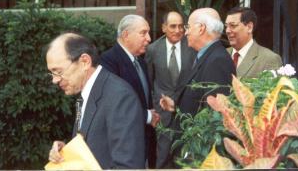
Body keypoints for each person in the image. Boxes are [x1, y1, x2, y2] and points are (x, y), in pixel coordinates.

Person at [46, 33, 145, 169]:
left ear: (85, 62)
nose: (54, 80)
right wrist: (67, 153)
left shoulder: (119, 96)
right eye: (52, 73)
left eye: (58, 71)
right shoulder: (88, 92)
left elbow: (128, 166)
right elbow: (95, 146)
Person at [100, 14, 160, 168]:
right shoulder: (108, 61)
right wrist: (147, 116)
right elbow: (112, 105)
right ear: (126, 35)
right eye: (143, 33)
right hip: (124, 148)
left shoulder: (140, 61)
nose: (149, 38)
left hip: (143, 143)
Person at [160, 7, 236, 118]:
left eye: (188, 27)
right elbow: (197, 99)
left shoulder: (218, 61)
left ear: (201, 28)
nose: (186, 33)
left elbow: (215, 116)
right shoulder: (206, 56)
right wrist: (175, 105)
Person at [145, 11, 197, 168]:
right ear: (163, 28)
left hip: (187, 113)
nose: (178, 30)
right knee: (163, 158)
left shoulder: (192, 47)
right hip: (163, 115)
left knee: (187, 158)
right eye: (173, 26)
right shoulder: (153, 49)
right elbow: (149, 81)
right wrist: (155, 108)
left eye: (181, 26)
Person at [225, 7, 282, 78]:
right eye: (226, 26)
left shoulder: (269, 59)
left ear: (249, 27)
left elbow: (274, 88)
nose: (227, 31)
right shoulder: (221, 55)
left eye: (233, 25)